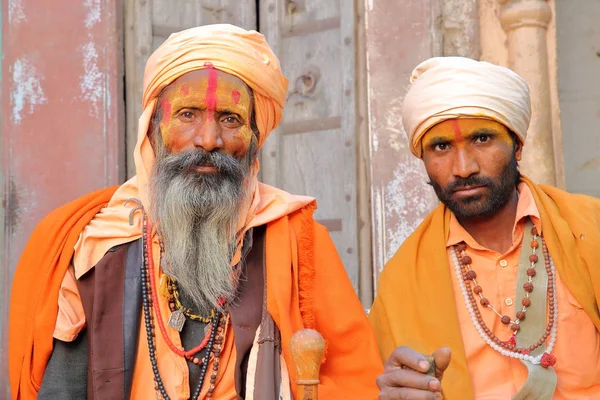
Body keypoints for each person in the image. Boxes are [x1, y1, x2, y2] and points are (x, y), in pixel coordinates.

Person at [9, 24, 383, 400]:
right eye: (187, 114)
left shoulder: (296, 238)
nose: (208, 140)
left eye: (230, 119)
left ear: (254, 137)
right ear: (154, 128)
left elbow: (353, 381)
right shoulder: (97, 243)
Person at [369, 56, 600, 399]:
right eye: (441, 146)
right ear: (423, 159)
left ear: (517, 145)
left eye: (482, 139)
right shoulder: (400, 282)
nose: (463, 168)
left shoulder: (591, 229)